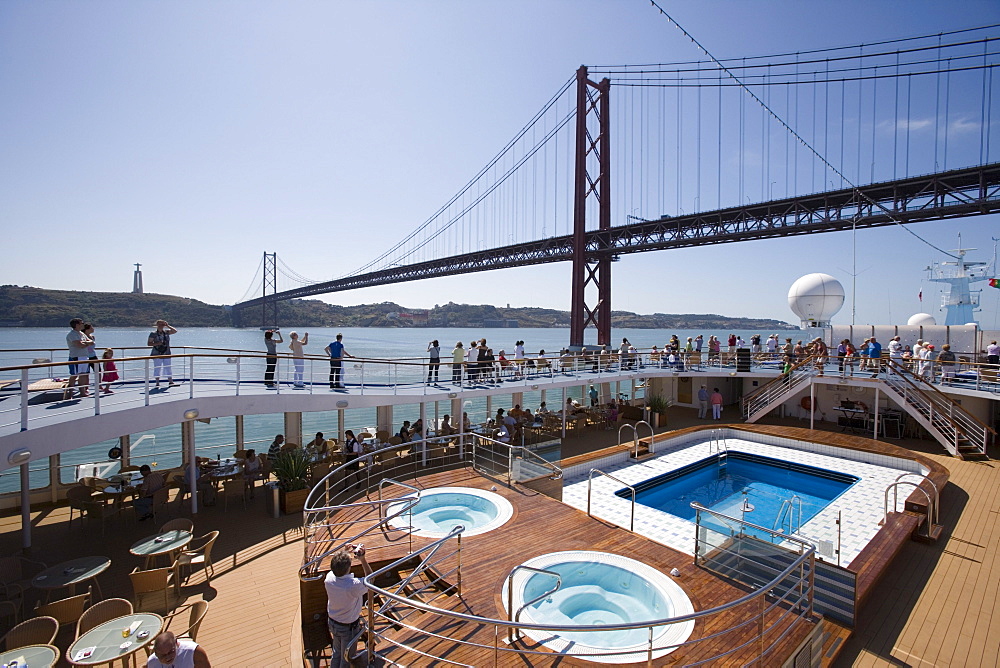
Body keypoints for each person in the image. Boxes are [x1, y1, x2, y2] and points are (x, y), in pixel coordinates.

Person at [324, 545, 372, 668]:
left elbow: (337, 566)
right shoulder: (352, 586)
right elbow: (370, 579)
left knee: (337, 653)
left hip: (333, 623)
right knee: (346, 658)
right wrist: (363, 560)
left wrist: (344, 552)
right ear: (348, 568)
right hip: (348, 628)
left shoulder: (329, 579)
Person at [145, 631, 211, 668]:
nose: (167, 658)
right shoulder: (152, 662)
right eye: (163, 656)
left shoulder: (194, 652)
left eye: (171, 652)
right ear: (156, 653)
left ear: (176, 643)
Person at [64, 318, 92, 399]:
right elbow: (79, 345)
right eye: (81, 323)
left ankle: (82, 392)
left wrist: (85, 343)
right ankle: (70, 393)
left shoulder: (82, 334)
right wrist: (86, 344)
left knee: (83, 375)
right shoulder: (72, 334)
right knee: (74, 375)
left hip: (84, 356)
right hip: (76, 357)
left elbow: (91, 341)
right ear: (77, 325)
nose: (83, 324)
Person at [148, 320, 178, 388]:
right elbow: (149, 343)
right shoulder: (153, 333)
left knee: (168, 368)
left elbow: (175, 331)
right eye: (160, 324)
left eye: (162, 324)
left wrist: (168, 325)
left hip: (167, 353)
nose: (161, 325)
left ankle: (170, 381)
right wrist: (157, 343)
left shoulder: (166, 332)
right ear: (157, 325)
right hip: (157, 353)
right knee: (157, 368)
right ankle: (157, 383)